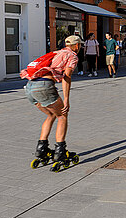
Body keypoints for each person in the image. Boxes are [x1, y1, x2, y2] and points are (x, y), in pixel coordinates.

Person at [21, 35, 81, 168]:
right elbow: (67, 76)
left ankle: (41, 149)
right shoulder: (72, 56)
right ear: (76, 46)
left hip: (30, 87)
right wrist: (66, 99)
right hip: (43, 86)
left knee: (51, 115)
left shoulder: (56, 52)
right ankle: (60, 151)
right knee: (62, 115)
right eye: (80, 45)